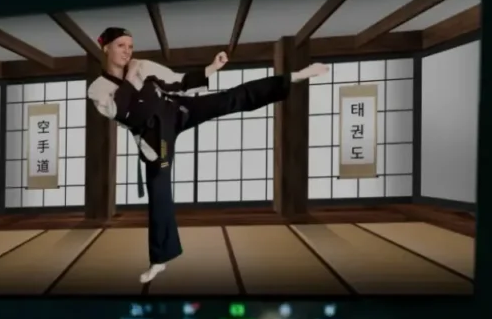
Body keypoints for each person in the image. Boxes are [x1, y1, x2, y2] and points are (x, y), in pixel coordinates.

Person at [86, 26, 330, 283]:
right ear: (106, 48)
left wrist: (212, 67)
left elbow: (178, 82)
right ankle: (159, 259)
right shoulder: (97, 89)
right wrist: (128, 79)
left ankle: (293, 77)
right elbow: (123, 113)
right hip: (155, 136)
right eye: (120, 46)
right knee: (159, 193)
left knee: (230, 99)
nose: (127, 51)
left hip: (177, 109)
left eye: (130, 46)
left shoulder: (142, 65)